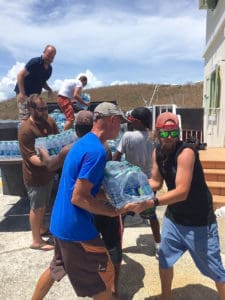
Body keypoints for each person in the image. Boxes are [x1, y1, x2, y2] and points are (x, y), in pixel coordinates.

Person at [31, 102, 130, 300]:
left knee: (56, 268)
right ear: (111, 120)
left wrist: (112, 196)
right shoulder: (97, 152)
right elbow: (79, 197)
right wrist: (113, 212)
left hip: (60, 224)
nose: (120, 128)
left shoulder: (80, 144)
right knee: (102, 279)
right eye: (119, 122)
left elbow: (84, 189)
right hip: (77, 230)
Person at [128, 111, 225, 300]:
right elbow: (156, 181)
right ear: (157, 133)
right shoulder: (157, 151)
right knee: (164, 259)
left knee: (215, 270)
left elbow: (182, 191)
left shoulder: (186, 152)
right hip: (175, 218)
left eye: (173, 132)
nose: (170, 137)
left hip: (199, 221)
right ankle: (166, 296)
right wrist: (134, 186)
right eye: (165, 133)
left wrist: (153, 202)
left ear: (179, 132)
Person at [113, 107, 161, 257]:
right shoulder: (154, 138)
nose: (130, 121)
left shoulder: (127, 136)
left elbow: (116, 157)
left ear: (138, 121)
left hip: (130, 181)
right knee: (151, 214)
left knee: (122, 214)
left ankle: (117, 246)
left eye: (132, 119)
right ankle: (159, 245)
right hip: (149, 182)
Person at [18, 94, 58, 251]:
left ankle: (41, 228)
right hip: (35, 176)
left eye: (46, 108)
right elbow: (30, 157)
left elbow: (57, 140)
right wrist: (48, 162)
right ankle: (36, 240)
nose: (45, 111)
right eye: (41, 109)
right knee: (37, 207)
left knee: (44, 204)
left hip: (48, 172)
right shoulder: (25, 130)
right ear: (31, 109)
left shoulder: (50, 121)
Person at [14, 45, 56, 121]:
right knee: (25, 116)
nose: (49, 58)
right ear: (43, 53)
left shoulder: (49, 69)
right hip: (24, 92)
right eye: (48, 55)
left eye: (52, 57)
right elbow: (20, 75)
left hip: (35, 96)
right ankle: (24, 132)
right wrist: (21, 93)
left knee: (35, 116)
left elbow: (43, 82)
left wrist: (49, 89)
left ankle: (35, 132)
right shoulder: (34, 62)